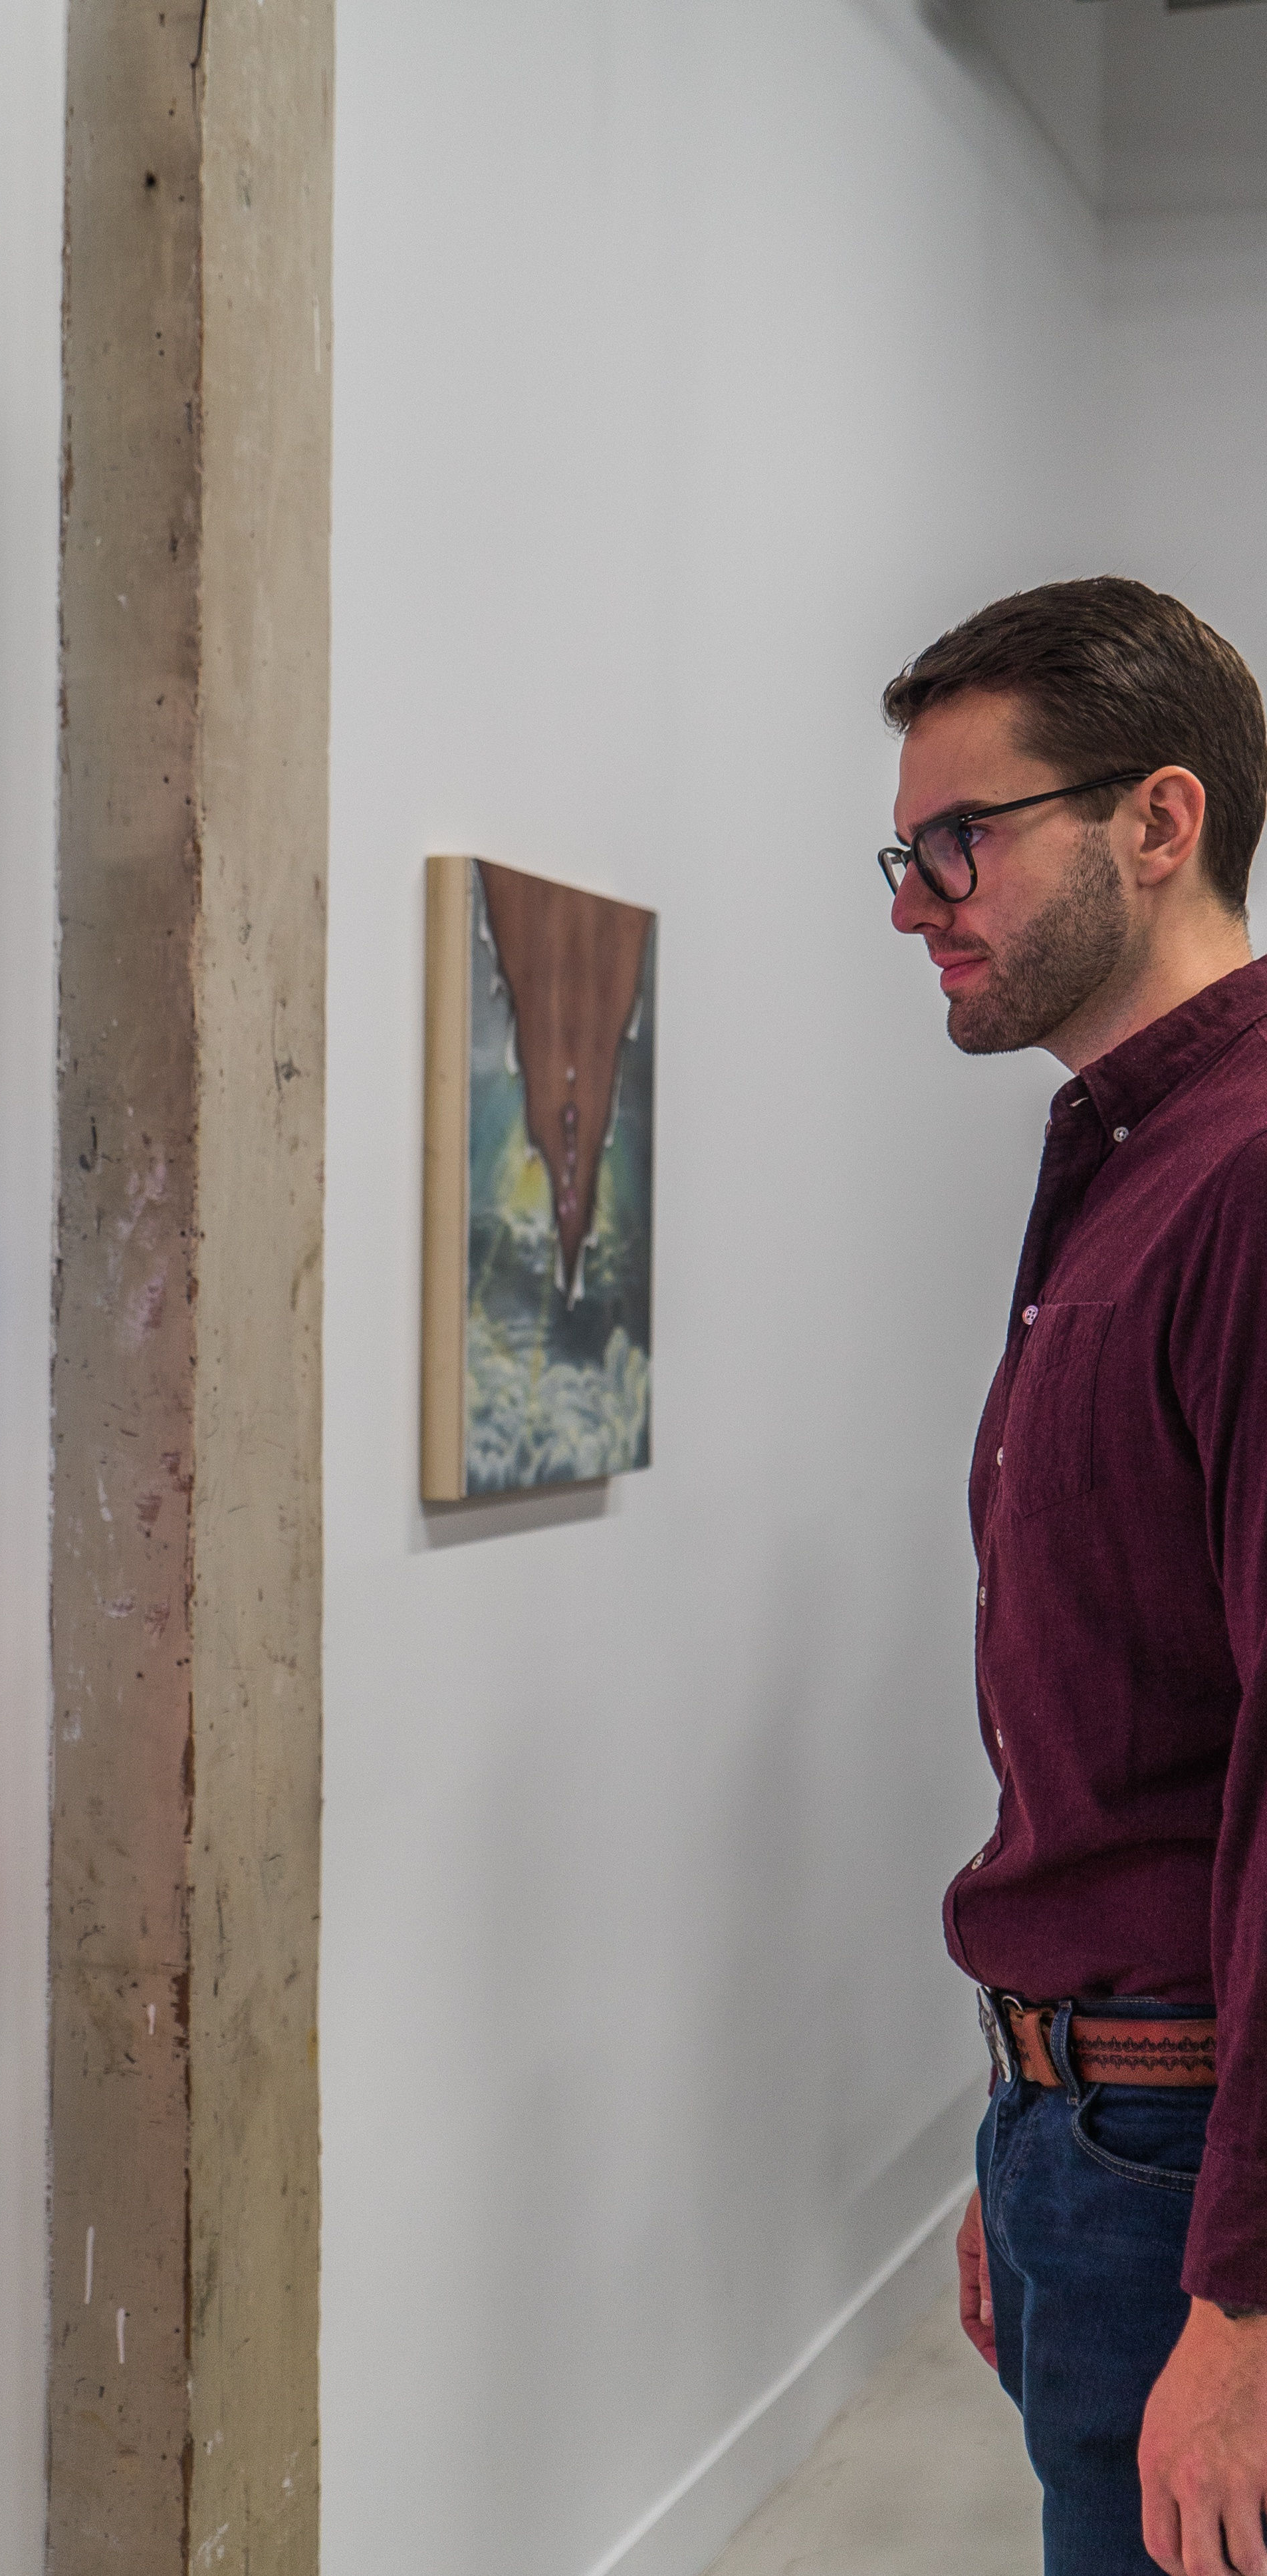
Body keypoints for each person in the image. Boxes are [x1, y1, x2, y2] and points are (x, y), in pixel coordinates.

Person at [882, 577, 1267, 2576]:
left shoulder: (1250, 1175)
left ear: (1159, 820)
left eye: (964, 840)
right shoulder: (1132, 1159)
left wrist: (1248, 2300)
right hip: (1104, 2129)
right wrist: (1035, 2105)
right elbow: (1136, 1746)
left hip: (1198, 2165)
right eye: (906, 849)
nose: (915, 899)